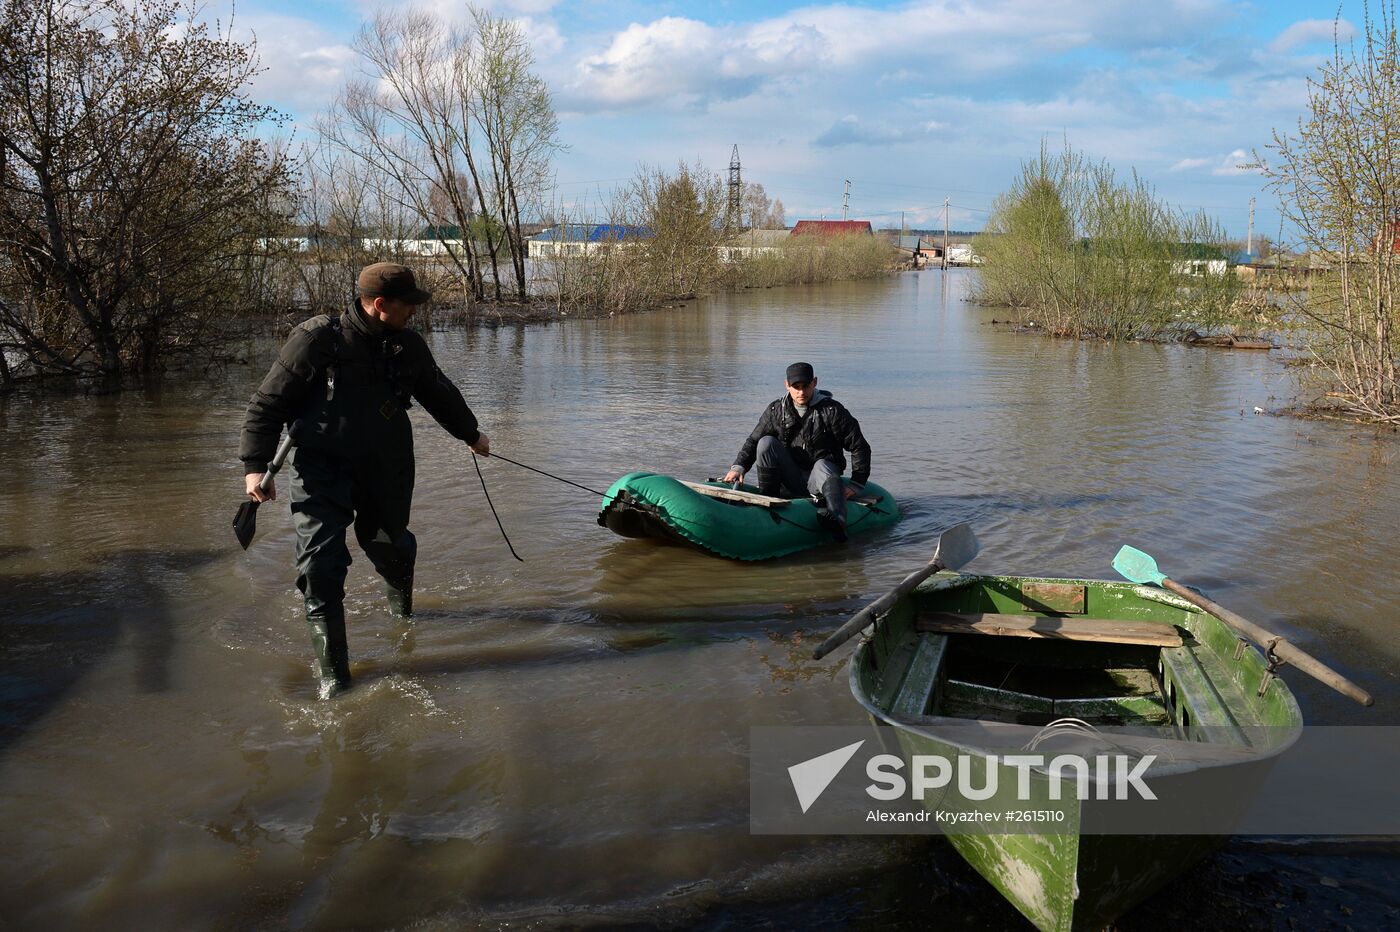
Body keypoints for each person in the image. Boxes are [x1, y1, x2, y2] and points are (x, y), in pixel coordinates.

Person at [239, 262, 489, 698]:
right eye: (408, 304)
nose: (414, 311)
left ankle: (403, 617)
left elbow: (438, 392)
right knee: (319, 568)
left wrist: (471, 434)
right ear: (380, 304)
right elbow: (266, 405)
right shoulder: (316, 340)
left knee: (392, 546)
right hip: (320, 469)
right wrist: (255, 467)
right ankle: (335, 680)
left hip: (387, 466)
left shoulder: (409, 345)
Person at [723, 362, 871, 541]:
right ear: (787, 385)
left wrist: (856, 484)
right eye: (796, 387)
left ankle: (837, 517)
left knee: (822, 464)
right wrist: (739, 467)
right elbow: (753, 441)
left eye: (806, 386)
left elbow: (859, 446)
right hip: (790, 478)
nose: (801, 392)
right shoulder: (776, 410)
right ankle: (768, 503)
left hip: (820, 479)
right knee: (765, 443)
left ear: (814, 382)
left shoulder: (832, 411)